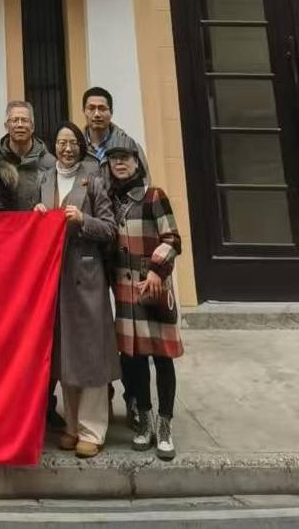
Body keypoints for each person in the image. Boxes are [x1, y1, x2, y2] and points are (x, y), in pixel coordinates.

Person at [35, 122, 120, 458]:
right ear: (54, 146)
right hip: (54, 277)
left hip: (86, 276)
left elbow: (110, 228)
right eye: (61, 142)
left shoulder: (93, 179)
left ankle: (92, 429)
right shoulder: (45, 179)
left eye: (72, 142)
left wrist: (83, 220)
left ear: (81, 146)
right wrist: (38, 214)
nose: (67, 148)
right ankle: (71, 425)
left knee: (90, 351)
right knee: (65, 353)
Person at [105, 144, 184, 461]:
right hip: (125, 294)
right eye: (114, 160)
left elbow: (172, 239)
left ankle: (165, 425)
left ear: (137, 163)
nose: (119, 164)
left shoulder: (153, 196)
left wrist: (155, 269)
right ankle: (145, 419)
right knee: (133, 360)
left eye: (125, 159)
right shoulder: (111, 201)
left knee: (162, 358)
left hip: (152, 289)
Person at [82, 87, 149, 186]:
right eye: (91, 108)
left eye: (102, 108)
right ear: (84, 111)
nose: (96, 114)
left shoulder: (130, 147)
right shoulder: (77, 148)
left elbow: (145, 185)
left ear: (111, 112)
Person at [0, 99, 56, 210]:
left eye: (25, 120)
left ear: (32, 127)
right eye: (15, 120)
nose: (20, 125)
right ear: (6, 126)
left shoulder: (50, 163)